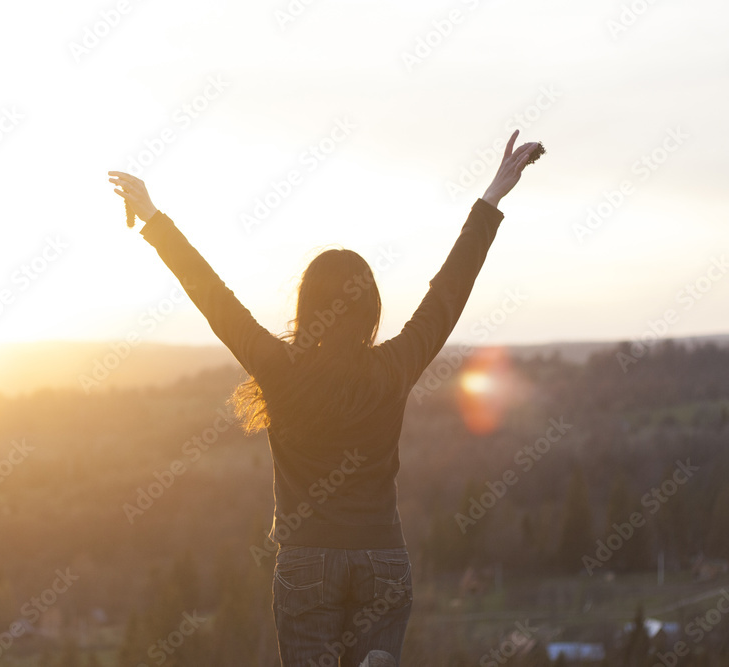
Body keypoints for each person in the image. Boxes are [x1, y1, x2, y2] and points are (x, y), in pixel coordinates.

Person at [108, 130, 543, 667]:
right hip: (382, 554)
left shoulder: (279, 369)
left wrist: (153, 218)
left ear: (307, 303)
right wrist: (491, 198)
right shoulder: (394, 366)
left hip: (307, 559)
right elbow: (447, 294)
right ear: (371, 307)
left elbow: (213, 297)